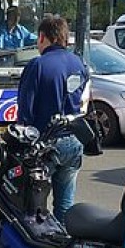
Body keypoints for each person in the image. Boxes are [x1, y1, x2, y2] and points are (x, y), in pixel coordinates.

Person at [17, 15, 88, 221]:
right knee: (65, 205)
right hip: (73, 141)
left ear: (42, 37)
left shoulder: (37, 65)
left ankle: (35, 247)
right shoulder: (79, 64)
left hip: (44, 143)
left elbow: (25, 111)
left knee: (33, 204)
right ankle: (62, 245)